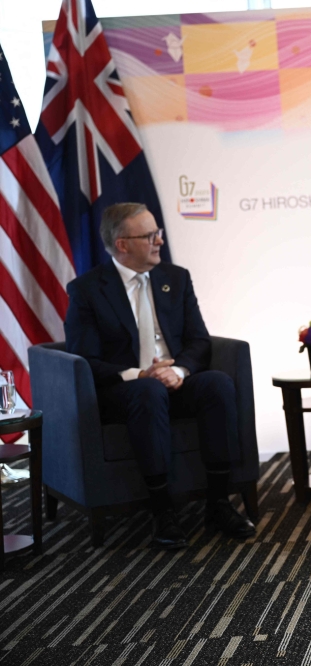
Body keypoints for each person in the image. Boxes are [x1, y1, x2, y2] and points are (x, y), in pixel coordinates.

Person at [64, 203, 255, 550]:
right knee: (148, 391)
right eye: (150, 235)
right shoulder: (87, 290)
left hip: (175, 380)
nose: (159, 241)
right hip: (124, 391)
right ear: (122, 244)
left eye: (159, 233)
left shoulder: (176, 278)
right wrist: (141, 374)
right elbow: (85, 359)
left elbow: (199, 340)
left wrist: (178, 370)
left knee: (217, 384)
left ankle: (218, 503)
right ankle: (162, 511)